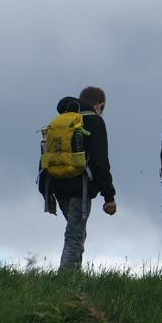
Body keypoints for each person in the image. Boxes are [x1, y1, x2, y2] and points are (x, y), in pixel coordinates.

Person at [38, 87, 116, 272]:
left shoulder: (60, 121)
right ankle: (67, 276)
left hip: (56, 184)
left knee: (76, 231)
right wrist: (109, 196)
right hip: (80, 186)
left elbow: (45, 158)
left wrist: (46, 192)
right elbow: (100, 162)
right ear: (100, 105)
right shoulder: (94, 122)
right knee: (75, 234)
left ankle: (73, 274)